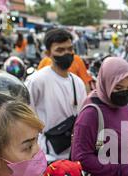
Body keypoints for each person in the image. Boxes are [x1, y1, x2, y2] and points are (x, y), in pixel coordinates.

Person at [26, 29, 87, 163]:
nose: (66, 53)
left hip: (74, 154)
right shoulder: (36, 81)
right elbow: (26, 114)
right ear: (48, 53)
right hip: (48, 156)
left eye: (69, 49)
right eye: (60, 50)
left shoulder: (78, 82)